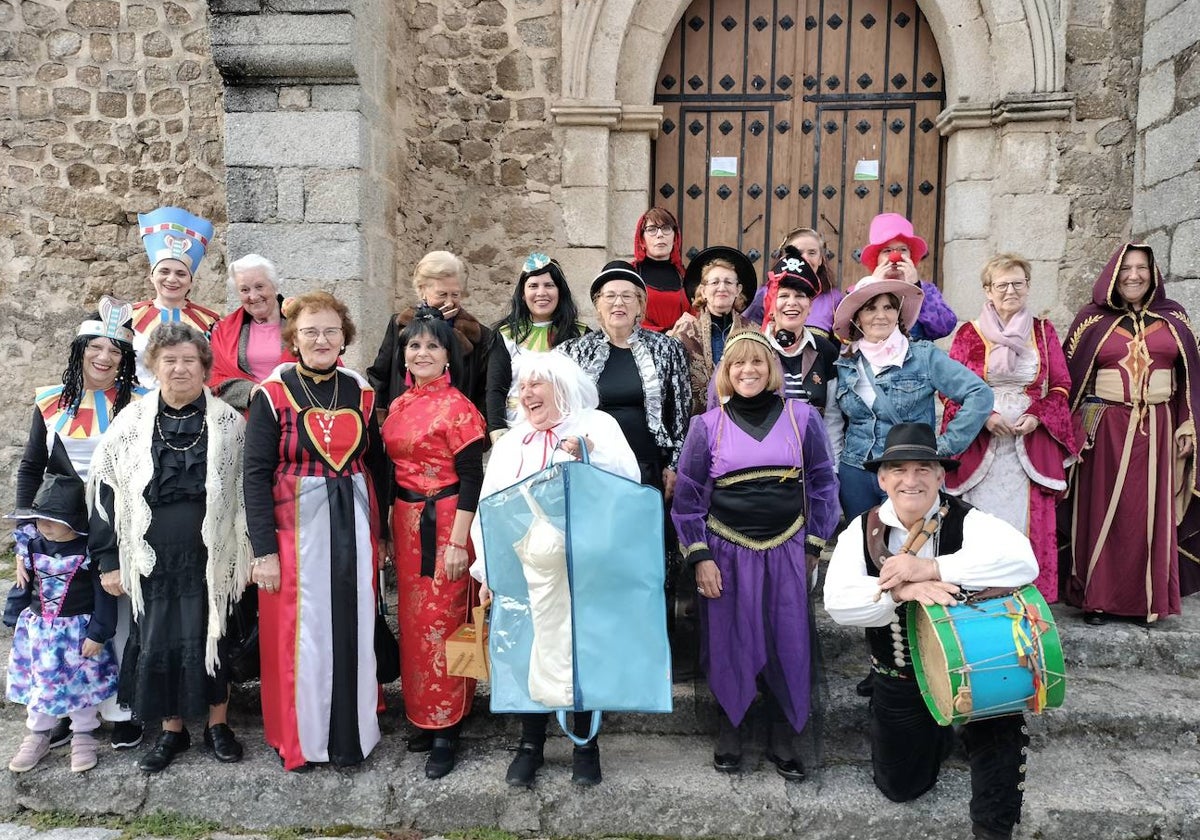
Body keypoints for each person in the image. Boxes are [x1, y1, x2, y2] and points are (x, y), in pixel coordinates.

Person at [823, 422, 1038, 840]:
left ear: (941, 476)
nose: (911, 480)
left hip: (978, 671)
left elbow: (1024, 563)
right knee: (901, 788)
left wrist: (934, 567)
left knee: (1001, 727)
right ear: (882, 479)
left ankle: (992, 828)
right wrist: (901, 591)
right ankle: (939, 734)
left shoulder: (970, 520)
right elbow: (838, 603)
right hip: (900, 679)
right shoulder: (861, 531)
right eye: (899, 470)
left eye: (923, 469)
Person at [672, 331, 840, 779]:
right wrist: (701, 557)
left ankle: (783, 731)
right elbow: (688, 502)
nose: (748, 371)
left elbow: (823, 483)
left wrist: (812, 545)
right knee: (730, 638)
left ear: (772, 370)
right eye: (738, 365)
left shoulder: (801, 417)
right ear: (725, 372)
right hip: (727, 552)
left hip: (786, 549)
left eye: (758, 364)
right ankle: (732, 727)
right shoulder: (706, 427)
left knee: (787, 639)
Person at [469, 351, 640, 788]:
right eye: (522, 387)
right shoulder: (512, 443)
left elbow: (627, 487)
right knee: (529, 650)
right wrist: (487, 571)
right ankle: (531, 743)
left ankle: (586, 744)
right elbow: (490, 509)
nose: (526, 394)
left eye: (536, 385)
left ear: (561, 387)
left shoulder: (598, 427)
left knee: (580, 652)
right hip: (527, 570)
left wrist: (585, 457)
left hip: (586, 567)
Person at [89, 323, 252, 773]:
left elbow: (245, 490)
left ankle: (218, 726)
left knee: (213, 634)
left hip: (211, 554)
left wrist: (250, 553)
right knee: (159, 639)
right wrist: (108, 561)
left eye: (189, 360)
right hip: (151, 556)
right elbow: (107, 492)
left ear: (204, 367)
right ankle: (172, 730)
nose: (179, 368)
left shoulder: (228, 422)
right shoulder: (130, 422)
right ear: (153, 367)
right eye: (169, 360)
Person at [242, 291, 389, 771]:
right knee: (301, 633)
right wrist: (263, 550)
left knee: (354, 620)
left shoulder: (361, 391)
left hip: (355, 524)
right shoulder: (271, 393)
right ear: (294, 339)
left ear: (344, 335)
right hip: (294, 530)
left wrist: (382, 535)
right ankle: (304, 738)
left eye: (330, 330)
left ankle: (353, 734)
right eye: (310, 331)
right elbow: (255, 473)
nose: (321, 339)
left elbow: (377, 465)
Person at [13, 297, 145, 751]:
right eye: (96, 347)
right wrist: (24, 537)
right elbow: (31, 467)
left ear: (125, 359)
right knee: (68, 613)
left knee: (121, 607)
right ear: (80, 349)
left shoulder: (140, 403)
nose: (105, 358)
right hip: (62, 524)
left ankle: (123, 707)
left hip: (121, 521)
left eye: (115, 351)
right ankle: (71, 708)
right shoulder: (50, 402)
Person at [1061, 242, 1200, 624]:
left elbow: (1192, 378)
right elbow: (1069, 381)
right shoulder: (1092, 321)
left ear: (1153, 273)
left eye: (1141, 268)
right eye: (1126, 269)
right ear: (1113, 275)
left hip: (1158, 427)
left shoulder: (1175, 319)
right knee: (1103, 511)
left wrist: (1188, 420)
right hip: (1106, 430)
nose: (1134, 275)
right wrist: (1073, 431)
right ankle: (1098, 599)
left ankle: (1147, 601)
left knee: (1148, 514)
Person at [381, 306, 487, 779]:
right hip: (406, 521)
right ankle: (423, 715)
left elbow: (471, 477)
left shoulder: (458, 407)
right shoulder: (401, 404)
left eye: (432, 345)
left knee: (446, 619)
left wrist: (459, 542)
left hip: (446, 521)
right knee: (414, 619)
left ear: (448, 357)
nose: (422, 353)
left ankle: (449, 725)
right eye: (415, 345)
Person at [942, 254, 1079, 601]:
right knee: (979, 517)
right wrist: (984, 417)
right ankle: (976, 587)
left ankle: (1025, 592)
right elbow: (949, 389)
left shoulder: (1043, 331)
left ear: (1028, 287)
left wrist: (1037, 416)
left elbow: (1061, 385)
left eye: (1018, 283)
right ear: (988, 291)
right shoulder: (968, 334)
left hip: (1026, 440)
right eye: (1001, 284)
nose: (1010, 290)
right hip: (981, 439)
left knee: (1025, 514)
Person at [832, 273, 993, 522]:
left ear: (898, 314)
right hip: (856, 472)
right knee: (863, 548)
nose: (880, 315)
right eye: (870, 308)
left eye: (888, 307)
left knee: (908, 549)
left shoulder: (923, 356)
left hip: (909, 472)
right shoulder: (845, 362)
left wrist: (945, 446)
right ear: (857, 319)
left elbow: (979, 393)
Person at [5, 473, 117, 774]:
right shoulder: (31, 546)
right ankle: (38, 735)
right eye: (40, 519)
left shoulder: (88, 552)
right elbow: (22, 585)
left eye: (53, 520)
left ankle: (83, 736)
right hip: (40, 633)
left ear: (75, 521)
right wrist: (13, 615)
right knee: (40, 685)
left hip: (77, 634)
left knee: (81, 685)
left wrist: (100, 631)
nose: (45, 526)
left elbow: (104, 595)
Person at [558, 261, 691, 498]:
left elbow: (680, 413)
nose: (618, 303)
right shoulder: (573, 352)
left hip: (649, 465)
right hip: (593, 464)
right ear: (598, 304)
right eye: (610, 296)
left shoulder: (667, 348)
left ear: (640, 304)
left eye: (627, 296)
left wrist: (674, 464)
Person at [367, 250, 491, 418]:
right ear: (422, 290)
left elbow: (485, 391)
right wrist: (379, 420)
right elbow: (379, 377)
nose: (449, 302)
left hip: (455, 427)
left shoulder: (481, 335)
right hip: (404, 421)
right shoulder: (400, 325)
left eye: (455, 294)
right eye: (442, 294)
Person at [485, 253, 589, 441]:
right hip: (518, 428)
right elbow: (495, 389)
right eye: (533, 286)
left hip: (568, 430)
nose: (541, 292)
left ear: (560, 291)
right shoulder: (506, 335)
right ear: (523, 295)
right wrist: (498, 432)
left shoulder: (580, 335)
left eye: (549, 285)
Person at [754, 247, 843, 453]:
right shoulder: (752, 347)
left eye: (800, 295)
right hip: (761, 461)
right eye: (783, 295)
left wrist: (833, 469)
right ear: (771, 303)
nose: (792, 303)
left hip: (812, 458)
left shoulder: (825, 350)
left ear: (810, 306)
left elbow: (832, 420)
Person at [131, 207, 222, 387]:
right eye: (164, 271)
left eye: (181, 273)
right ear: (151, 276)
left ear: (190, 281)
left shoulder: (211, 322)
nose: (172, 279)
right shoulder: (128, 316)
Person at [668, 246, 756, 417]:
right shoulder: (684, 333)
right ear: (703, 291)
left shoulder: (753, 332)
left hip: (742, 424)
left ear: (737, 290)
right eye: (714, 282)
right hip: (695, 424)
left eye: (728, 282)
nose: (721, 288)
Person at [207, 254, 297, 412]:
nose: (253, 296)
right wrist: (251, 391)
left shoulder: (302, 321)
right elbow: (213, 377)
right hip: (246, 417)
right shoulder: (223, 330)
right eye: (244, 290)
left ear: (274, 286)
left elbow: (323, 361)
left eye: (259, 286)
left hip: (297, 412)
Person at [858, 213, 957, 342]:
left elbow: (944, 327)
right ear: (877, 258)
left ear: (911, 255)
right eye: (887, 251)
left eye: (902, 250)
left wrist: (916, 288)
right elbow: (852, 333)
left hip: (918, 360)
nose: (895, 257)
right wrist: (873, 287)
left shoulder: (926, 290)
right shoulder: (861, 289)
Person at [744, 226, 844, 337]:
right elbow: (748, 333)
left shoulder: (834, 298)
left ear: (821, 259)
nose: (805, 258)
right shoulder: (765, 293)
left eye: (812, 253)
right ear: (785, 257)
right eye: (798, 252)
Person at [631, 207, 691, 332]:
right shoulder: (630, 274)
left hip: (681, 346)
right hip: (641, 346)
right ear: (642, 239)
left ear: (675, 237)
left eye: (666, 228)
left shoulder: (686, 275)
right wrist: (665, 334)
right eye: (652, 229)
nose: (660, 235)